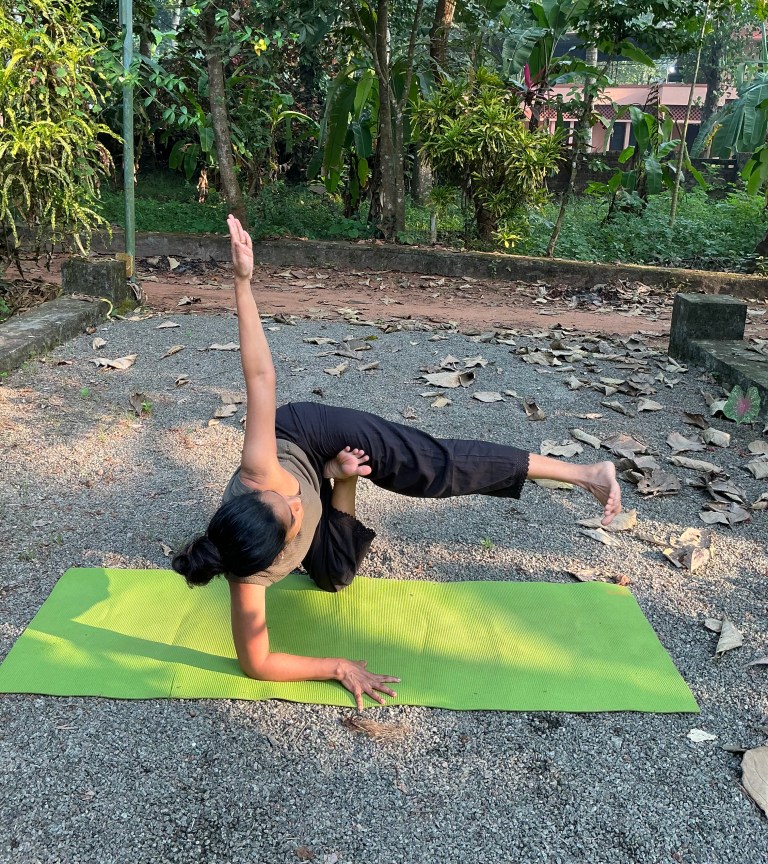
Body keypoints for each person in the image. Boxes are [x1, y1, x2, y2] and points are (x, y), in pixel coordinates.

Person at [173, 215, 623, 710]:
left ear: (260, 491)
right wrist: (337, 667)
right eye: (294, 511)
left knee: (427, 469)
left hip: (307, 434)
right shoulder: (248, 577)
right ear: (272, 556)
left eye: (285, 495)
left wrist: (242, 281)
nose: (295, 497)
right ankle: (347, 476)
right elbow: (256, 664)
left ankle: (584, 473)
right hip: (324, 469)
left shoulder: (261, 472)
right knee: (335, 576)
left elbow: (259, 375)